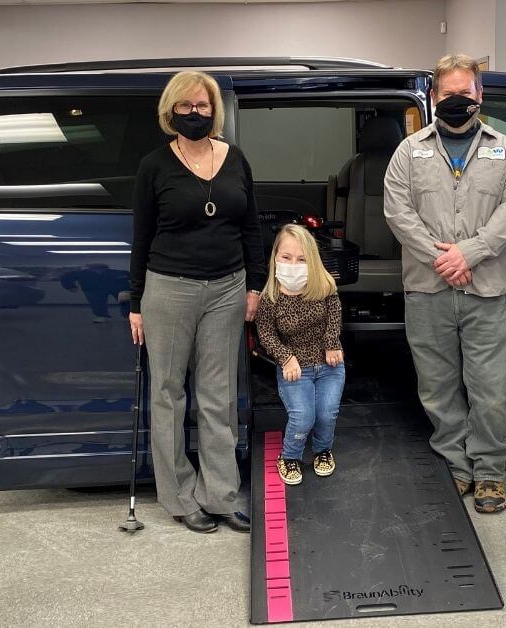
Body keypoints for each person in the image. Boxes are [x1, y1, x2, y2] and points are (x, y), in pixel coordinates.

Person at [383, 53, 506, 514]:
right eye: (448, 94)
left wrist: (468, 254)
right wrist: (442, 259)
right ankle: (455, 465)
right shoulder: (409, 152)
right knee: (437, 386)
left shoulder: (505, 151)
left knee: (490, 388)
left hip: (486, 291)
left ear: (479, 96)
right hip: (428, 292)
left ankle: (488, 471)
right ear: (433, 97)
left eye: (465, 93)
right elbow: (398, 213)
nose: (456, 101)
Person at [129, 71, 266, 534]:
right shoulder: (154, 165)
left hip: (227, 289)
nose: (194, 113)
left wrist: (254, 286)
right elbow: (141, 237)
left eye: (202, 106)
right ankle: (180, 497)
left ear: (214, 110)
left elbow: (250, 226)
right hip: (168, 288)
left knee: (218, 397)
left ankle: (221, 495)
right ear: (171, 111)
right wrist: (135, 303)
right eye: (185, 106)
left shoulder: (236, 159)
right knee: (167, 394)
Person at [255, 224, 345, 486]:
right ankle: (290, 455)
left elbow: (335, 313)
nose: (293, 264)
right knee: (303, 415)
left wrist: (331, 343)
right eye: (286, 257)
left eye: (302, 259)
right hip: (295, 369)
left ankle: (322, 450)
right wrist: (285, 357)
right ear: (275, 258)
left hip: (329, 365)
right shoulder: (270, 298)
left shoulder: (323, 287)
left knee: (327, 413)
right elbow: (266, 334)